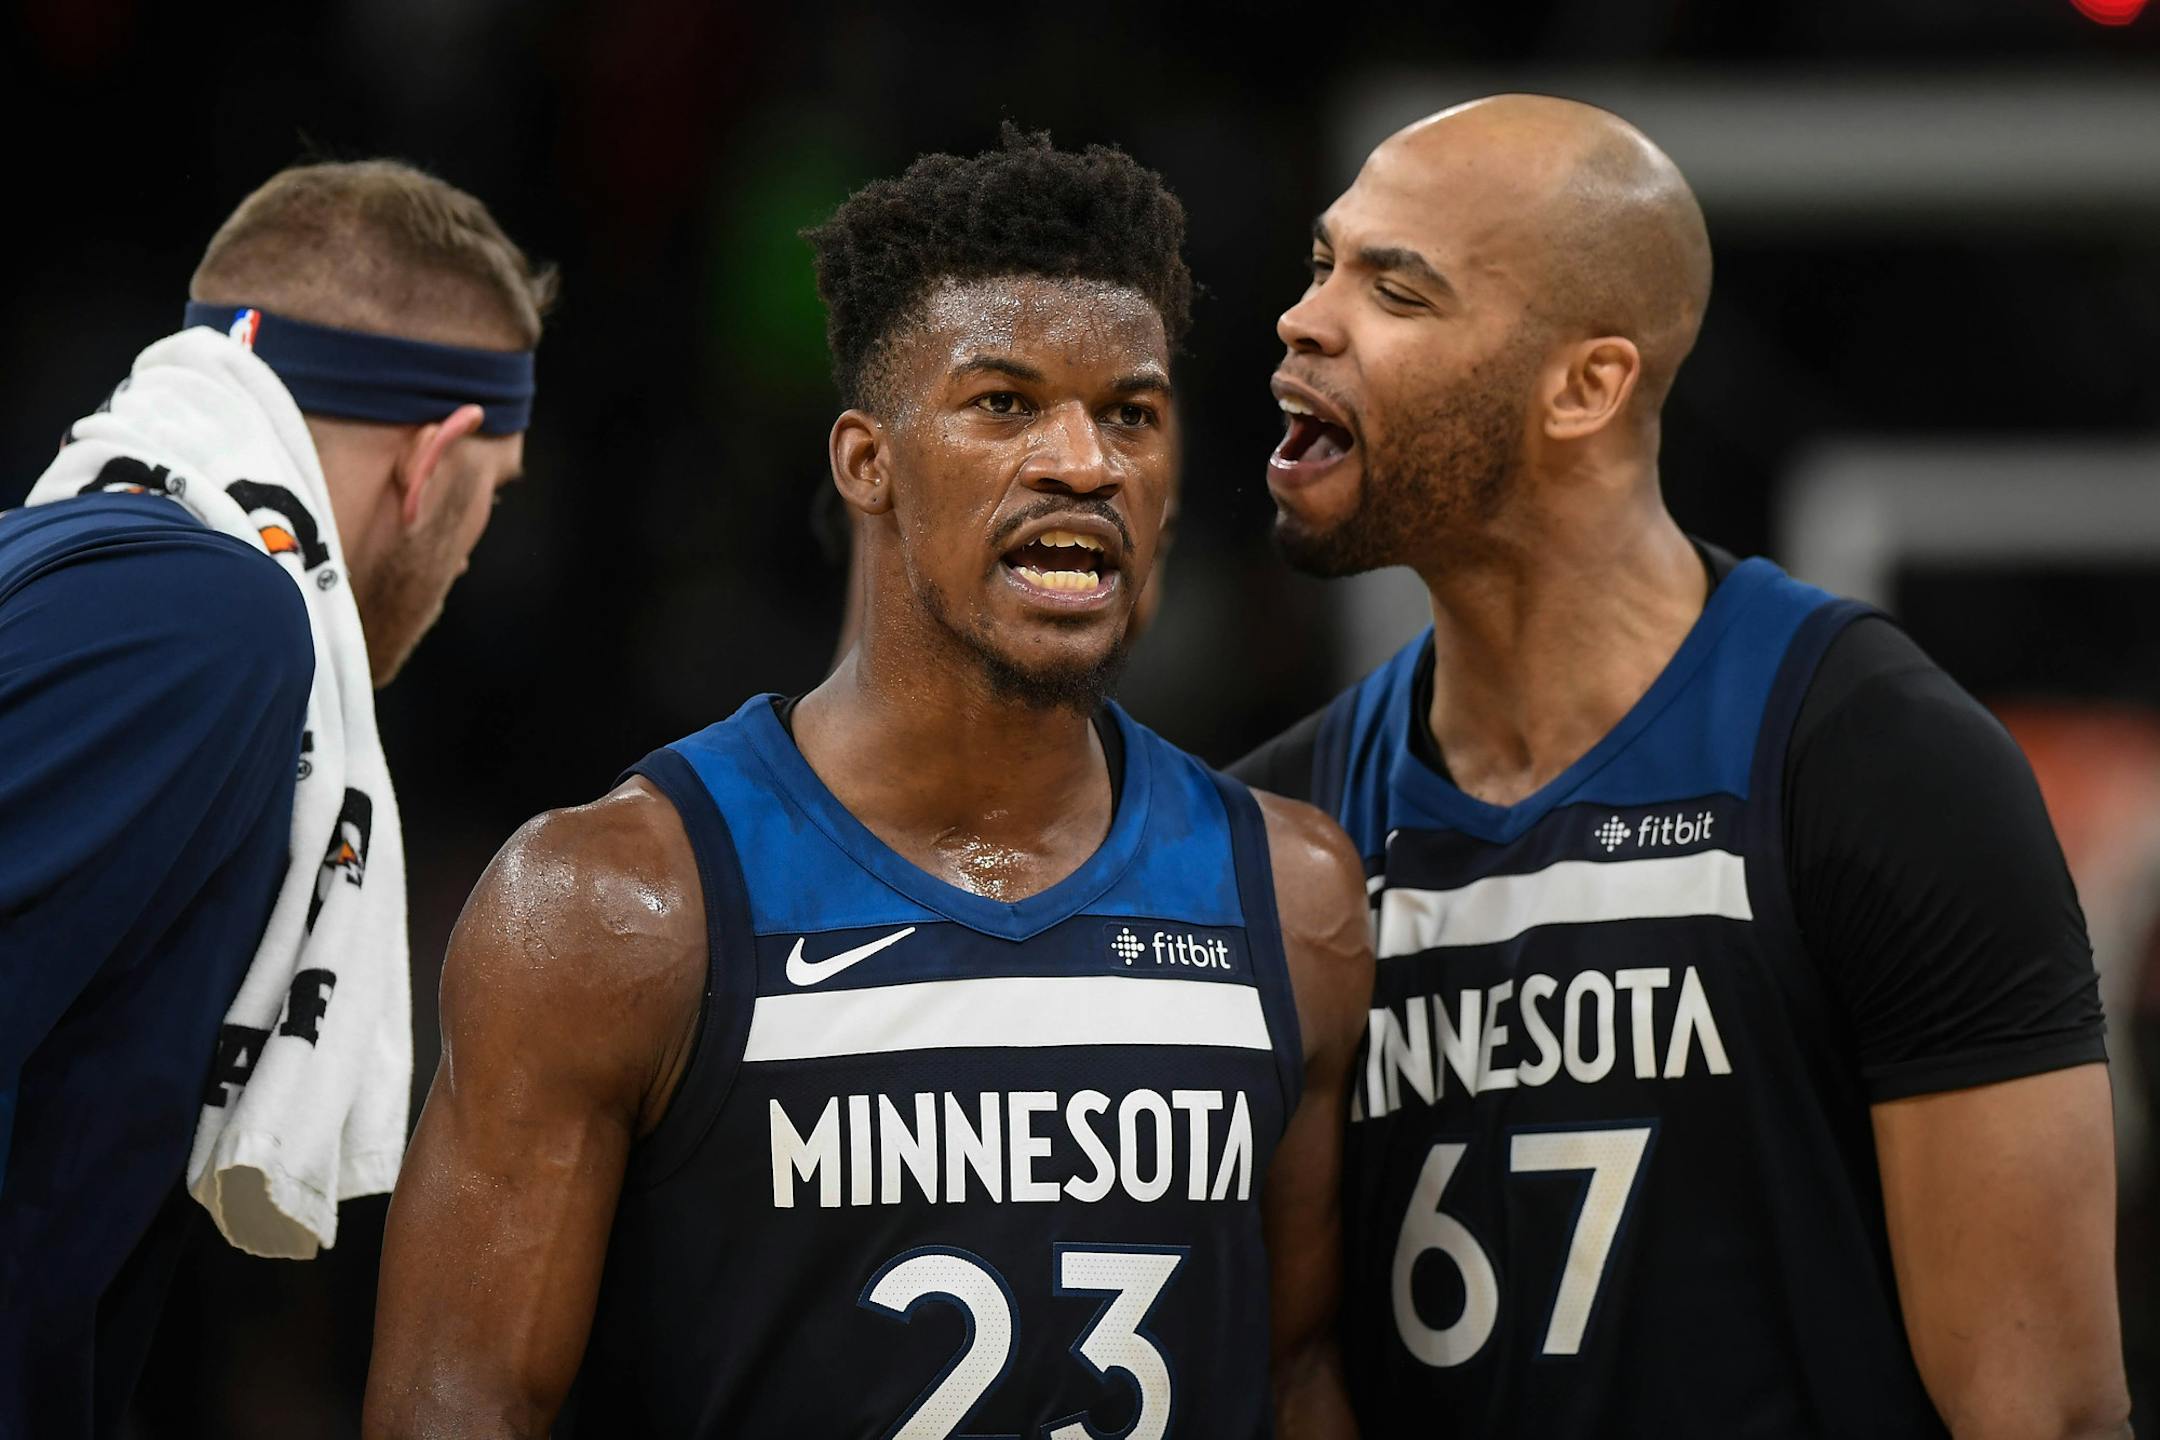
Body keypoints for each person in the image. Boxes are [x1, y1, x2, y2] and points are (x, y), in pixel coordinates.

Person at [364, 129, 1372, 1439]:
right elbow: (459, 1409)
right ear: (866, 464)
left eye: (1131, 412)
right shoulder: (614, 907)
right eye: (1005, 404)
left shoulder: (1292, 898)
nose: (1086, 462)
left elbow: (1294, 1376)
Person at [1231, 95, 2131, 1437]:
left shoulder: (1876, 761)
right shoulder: (1289, 826)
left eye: (1396, 289)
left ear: (1585, 387)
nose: (1309, 319)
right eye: (1322, 263)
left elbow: (2045, 1411)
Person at [0, 159, 550, 1438]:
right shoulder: (204, 615)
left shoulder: (82, 570)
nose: (470, 552)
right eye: (494, 497)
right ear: (437, 459)